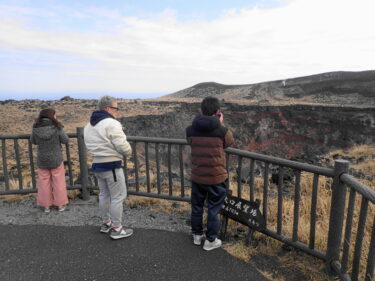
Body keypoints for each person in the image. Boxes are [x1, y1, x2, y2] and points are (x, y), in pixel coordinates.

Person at [186, 96, 234, 251]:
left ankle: (196, 236)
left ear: (201, 110)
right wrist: (221, 123)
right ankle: (210, 240)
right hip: (216, 177)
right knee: (213, 209)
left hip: (198, 175)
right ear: (217, 111)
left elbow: (190, 141)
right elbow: (229, 142)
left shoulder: (191, 129)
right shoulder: (221, 130)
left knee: (197, 206)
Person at [84, 95, 133, 240]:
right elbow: (121, 144)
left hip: (97, 164)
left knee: (104, 195)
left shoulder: (89, 125)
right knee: (118, 197)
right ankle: (117, 229)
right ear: (107, 108)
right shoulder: (112, 123)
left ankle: (106, 223)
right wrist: (128, 152)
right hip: (112, 165)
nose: (117, 111)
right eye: (115, 108)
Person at [31, 108, 69, 213]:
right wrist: (61, 129)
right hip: (56, 158)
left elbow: (33, 141)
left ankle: (46, 206)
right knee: (58, 182)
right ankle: (60, 205)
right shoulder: (57, 127)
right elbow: (65, 140)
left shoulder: (35, 127)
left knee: (43, 183)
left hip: (42, 159)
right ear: (52, 116)